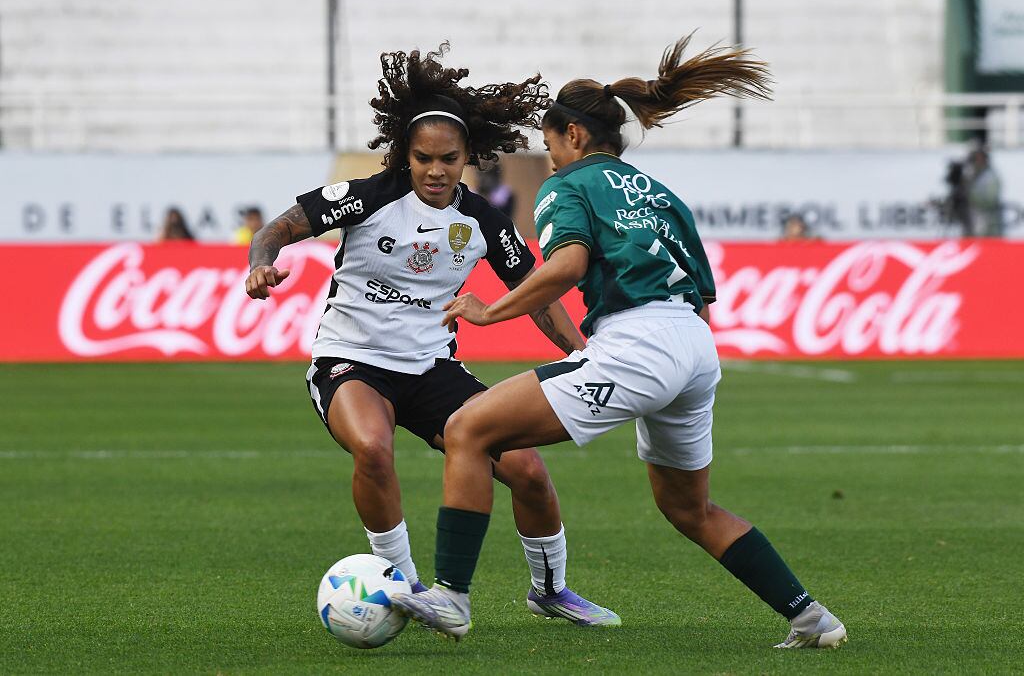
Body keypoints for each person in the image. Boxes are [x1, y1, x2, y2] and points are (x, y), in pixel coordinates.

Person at [391, 33, 847, 650]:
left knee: (470, 429)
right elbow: (703, 297)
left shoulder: (569, 185)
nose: (550, 159)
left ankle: (450, 595)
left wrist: (489, 310)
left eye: (551, 146)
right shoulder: (661, 195)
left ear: (574, 137)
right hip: (693, 348)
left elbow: (567, 265)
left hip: (639, 345)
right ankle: (812, 618)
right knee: (691, 509)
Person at [244, 44, 618, 626]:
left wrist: (581, 353)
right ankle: (404, 583)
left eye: (449, 158)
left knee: (527, 470)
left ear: (469, 155)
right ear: (406, 155)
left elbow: (537, 291)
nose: (437, 170)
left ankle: (550, 589)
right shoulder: (370, 196)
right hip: (352, 361)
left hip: (432, 367)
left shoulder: (485, 219)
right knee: (372, 447)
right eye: (424, 159)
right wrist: (260, 263)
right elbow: (279, 229)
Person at [965, 146, 1002, 237]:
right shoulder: (971, 175)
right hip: (974, 220)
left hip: (988, 223)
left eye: (979, 159)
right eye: (974, 159)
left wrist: (971, 198)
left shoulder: (990, 177)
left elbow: (990, 200)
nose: (976, 162)